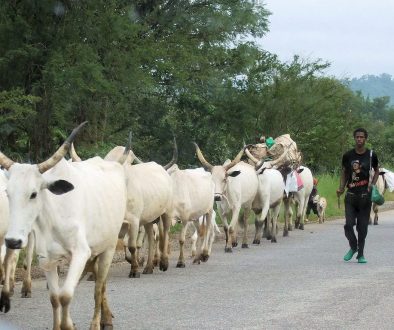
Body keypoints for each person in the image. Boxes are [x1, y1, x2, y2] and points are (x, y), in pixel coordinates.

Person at [336, 128, 379, 264]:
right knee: (348, 225)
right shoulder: (348, 156)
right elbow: (344, 173)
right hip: (350, 196)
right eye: (357, 137)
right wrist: (341, 187)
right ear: (354, 138)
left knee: (362, 227)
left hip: (365, 197)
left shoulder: (371, 155)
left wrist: (372, 184)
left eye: (362, 137)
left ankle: (361, 254)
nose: (359, 139)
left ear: (365, 139)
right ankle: (353, 246)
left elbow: (377, 171)